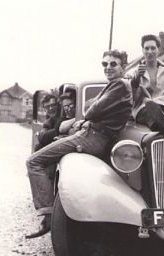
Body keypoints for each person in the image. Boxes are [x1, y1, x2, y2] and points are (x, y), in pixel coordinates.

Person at [25, 49, 132, 238]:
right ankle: (51, 211)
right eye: (104, 64)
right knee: (48, 156)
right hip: (93, 135)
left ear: (123, 66)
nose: (108, 68)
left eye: (113, 64)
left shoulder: (120, 85)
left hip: (92, 137)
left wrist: (90, 113)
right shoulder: (116, 85)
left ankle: (48, 218)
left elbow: (91, 111)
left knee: (34, 161)